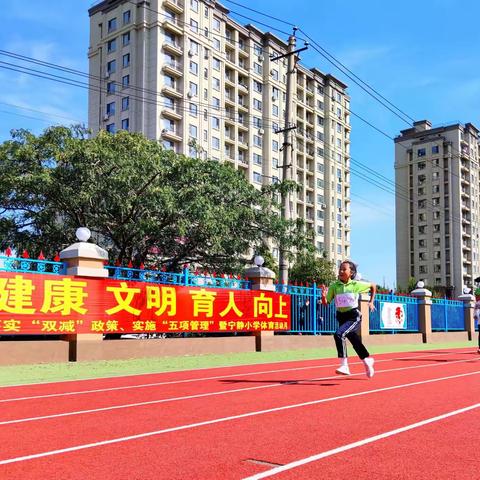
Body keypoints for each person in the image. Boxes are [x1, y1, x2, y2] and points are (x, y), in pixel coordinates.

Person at [321, 260, 376, 378]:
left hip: (353, 316)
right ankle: (367, 360)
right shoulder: (334, 286)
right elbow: (327, 303)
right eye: (340, 269)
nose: (341, 271)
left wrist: (371, 302)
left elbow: (373, 286)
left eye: (344, 269)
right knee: (354, 341)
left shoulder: (356, 285)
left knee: (338, 335)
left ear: (351, 273)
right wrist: (324, 297)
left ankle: (344, 365)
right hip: (341, 316)